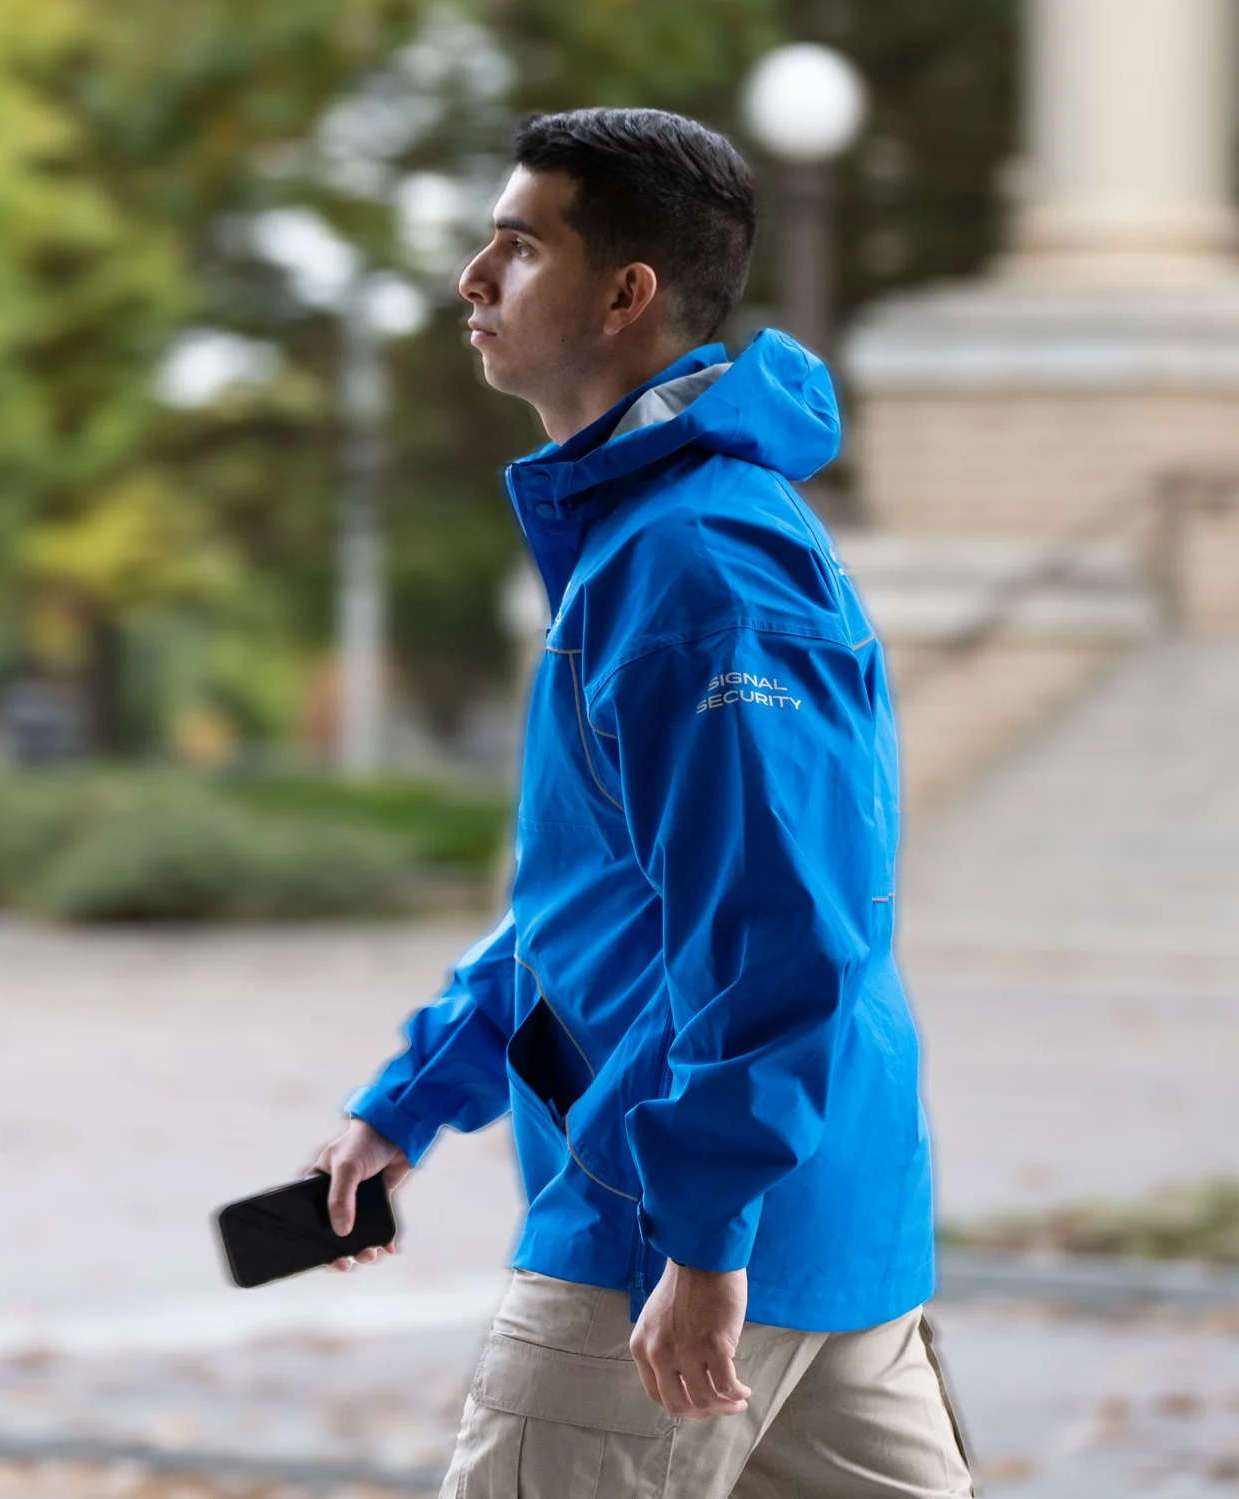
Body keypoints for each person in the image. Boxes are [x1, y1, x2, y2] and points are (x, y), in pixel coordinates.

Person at [310, 108, 968, 1498]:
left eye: (518, 243)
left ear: (628, 293)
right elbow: (604, 906)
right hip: (811, 1235)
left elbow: (782, 919)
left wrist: (703, 1236)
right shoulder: (648, 543)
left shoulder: (696, 561)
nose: (472, 279)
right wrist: (412, 1100)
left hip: (669, 1245)